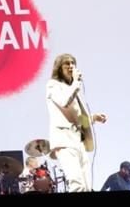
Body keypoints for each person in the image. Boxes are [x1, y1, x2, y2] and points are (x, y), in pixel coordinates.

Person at [46, 53, 107, 192]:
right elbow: (64, 102)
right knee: (76, 184)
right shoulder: (53, 85)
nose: (71, 66)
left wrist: (94, 118)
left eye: (73, 63)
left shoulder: (73, 89)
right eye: (67, 63)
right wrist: (75, 84)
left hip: (78, 140)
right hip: (64, 140)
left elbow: (77, 118)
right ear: (59, 68)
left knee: (86, 186)